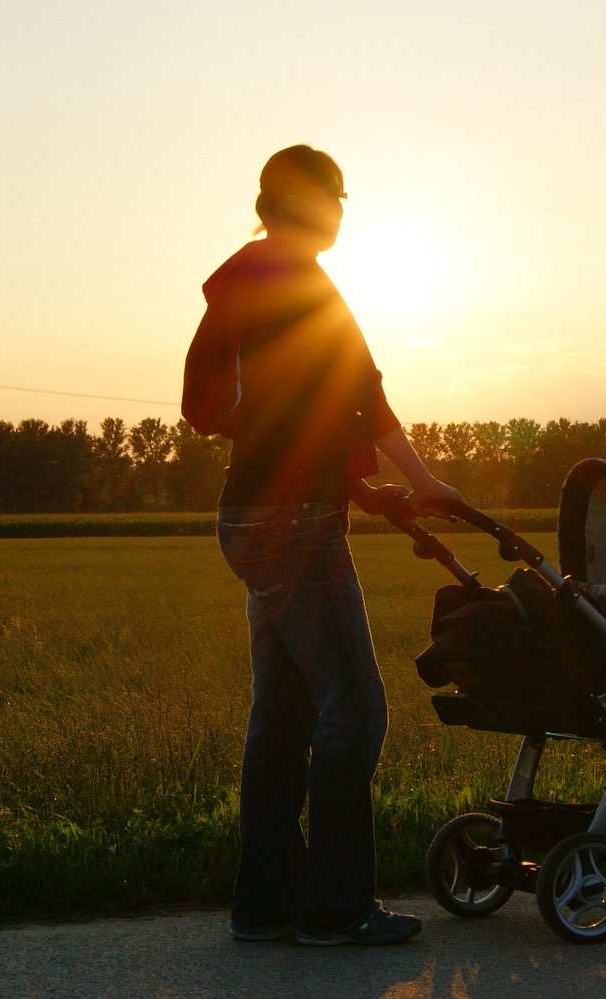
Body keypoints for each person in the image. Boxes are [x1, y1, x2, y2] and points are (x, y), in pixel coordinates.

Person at [182, 144, 461, 946]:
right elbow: (361, 394)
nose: (342, 210)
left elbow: (270, 410)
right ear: (308, 203)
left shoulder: (245, 277)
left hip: (251, 515)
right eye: (337, 196)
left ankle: (263, 904)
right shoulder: (303, 280)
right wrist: (425, 479)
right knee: (356, 712)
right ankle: (334, 908)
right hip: (294, 523)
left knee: (282, 715)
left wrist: (362, 488)